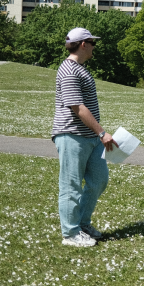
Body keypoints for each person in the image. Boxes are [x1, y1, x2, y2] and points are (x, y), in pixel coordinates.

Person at [52, 27, 117, 247]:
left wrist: (97, 134)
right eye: (92, 43)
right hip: (72, 135)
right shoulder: (70, 70)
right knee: (70, 185)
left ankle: (82, 223)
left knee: (99, 179)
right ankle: (70, 233)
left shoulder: (80, 69)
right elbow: (76, 107)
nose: (94, 47)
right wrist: (102, 132)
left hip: (89, 137)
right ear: (83, 44)